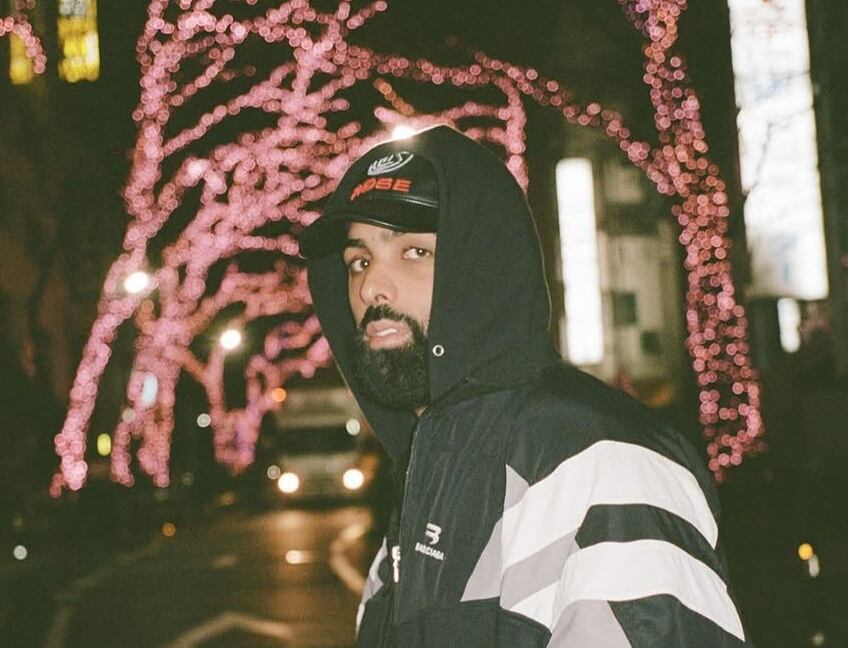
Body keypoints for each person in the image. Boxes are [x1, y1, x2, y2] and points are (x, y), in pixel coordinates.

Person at [300, 125, 751, 647]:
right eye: (359, 261)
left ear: (483, 267)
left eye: (414, 252)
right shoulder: (427, 477)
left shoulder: (598, 459)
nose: (369, 286)